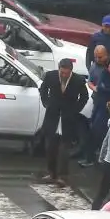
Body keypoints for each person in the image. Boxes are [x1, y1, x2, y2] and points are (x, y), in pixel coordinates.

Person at [39, 57, 88, 186]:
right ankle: (51, 173)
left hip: (68, 118)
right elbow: (43, 89)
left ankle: (63, 175)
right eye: (62, 72)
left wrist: (75, 110)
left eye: (66, 73)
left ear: (71, 71)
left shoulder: (78, 80)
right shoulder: (50, 76)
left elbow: (84, 97)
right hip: (52, 116)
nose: (63, 75)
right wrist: (46, 103)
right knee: (50, 146)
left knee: (64, 149)